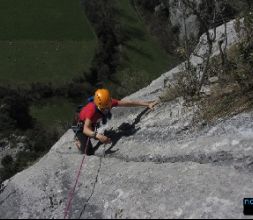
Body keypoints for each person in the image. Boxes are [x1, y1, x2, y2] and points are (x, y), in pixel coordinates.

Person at [74, 88, 158, 155]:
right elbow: (85, 129)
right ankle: (78, 141)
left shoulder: (107, 101)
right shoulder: (91, 110)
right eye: (105, 107)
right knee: (88, 152)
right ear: (99, 105)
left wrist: (146, 104)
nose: (108, 108)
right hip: (81, 125)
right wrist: (98, 136)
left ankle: (93, 135)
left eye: (108, 105)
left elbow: (128, 103)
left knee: (95, 135)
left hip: (92, 122)